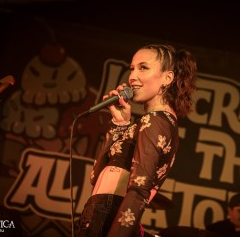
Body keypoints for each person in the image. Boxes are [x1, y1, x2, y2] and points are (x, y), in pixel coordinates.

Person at [77, 44, 197, 237]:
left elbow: (139, 189)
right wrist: (120, 123)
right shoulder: (146, 122)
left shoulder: (156, 121)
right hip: (98, 210)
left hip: (111, 215)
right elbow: (96, 177)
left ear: (167, 78)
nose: (132, 76)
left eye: (143, 67)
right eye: (132, 68)